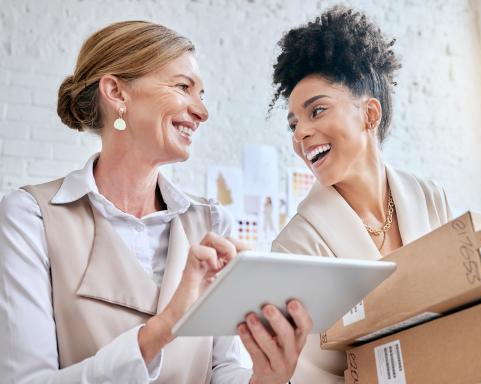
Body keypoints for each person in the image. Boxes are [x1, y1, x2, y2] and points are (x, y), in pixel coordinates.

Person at [0, 21, 312, 383]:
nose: (202, 111)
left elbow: (223, 370)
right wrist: (161, 329)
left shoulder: (211, 222)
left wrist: (268, 376)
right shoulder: (31, 218)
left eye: (202, 94)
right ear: (116, 92)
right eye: (183, 87)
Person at [270, 7, 452, 383]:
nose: (300, 134)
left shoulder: (432, 199)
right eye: (293, 124)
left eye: (316, 111)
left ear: (370, 114)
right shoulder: (295, 247)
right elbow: (312, 376)